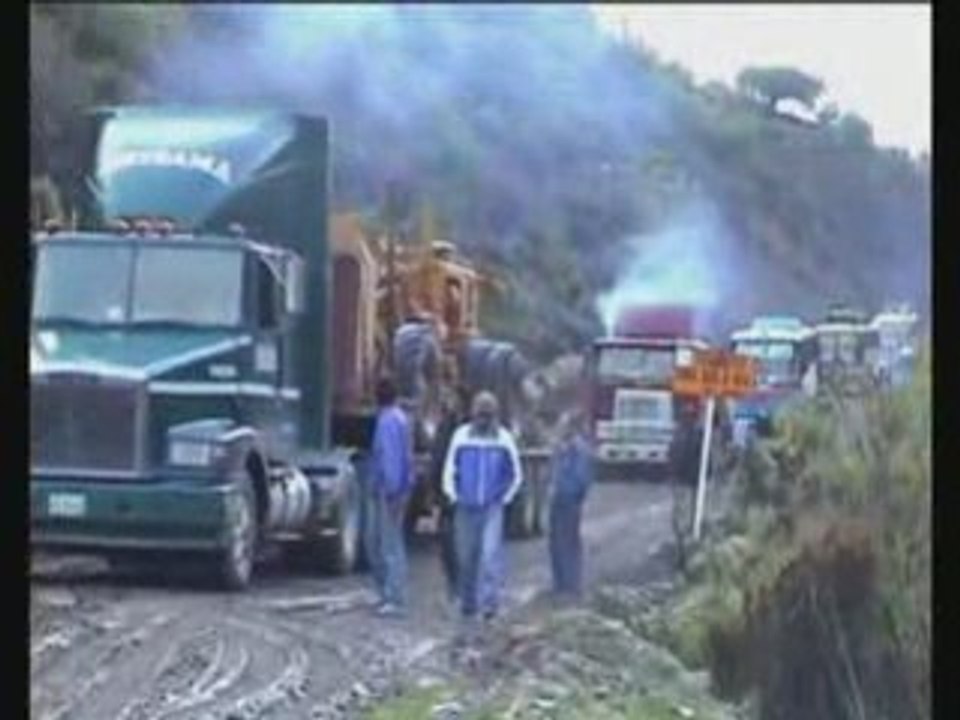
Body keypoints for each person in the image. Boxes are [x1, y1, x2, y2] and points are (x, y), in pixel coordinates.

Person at [442, 391, 523, 624]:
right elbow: (450, 468)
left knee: (489, 556)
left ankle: (489, 604)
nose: (484, 420)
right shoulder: (461, 437)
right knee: (466, 557)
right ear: (473, 414)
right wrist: (453, 495)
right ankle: (468, 604)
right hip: (465, 507)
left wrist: (503, 498)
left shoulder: (503, 439)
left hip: (491, 508)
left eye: (488, 415)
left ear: (495, 416)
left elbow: (515, 474)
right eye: (480, 415)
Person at [366, 377, 414, 617]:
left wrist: (392, 492)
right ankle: (390, 595)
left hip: (388, 492)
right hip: (395, 490)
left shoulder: (387, 422)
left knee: (388, 545)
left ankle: (393, 598)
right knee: (389, 543)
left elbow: (390, 459)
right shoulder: (400, 418)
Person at [547, 411, 594, 600]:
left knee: (567, 541)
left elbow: (582, 478)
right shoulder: (563, 449)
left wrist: (574, 494)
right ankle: (560, 583)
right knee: (556, 542)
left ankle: (570, 585)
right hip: (559, 498)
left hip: (569, 499)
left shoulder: (578, 449)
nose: (559, 429)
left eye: (562, 426)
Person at [429, 387, 470, 604]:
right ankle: (455, 587)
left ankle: (462, 589)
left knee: (460, 545)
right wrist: (434, 494)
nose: (446, 402)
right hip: (448, 496)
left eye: (451, 398)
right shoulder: (446, 427)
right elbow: (436, 461)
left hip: (463, 495)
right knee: (448, 546)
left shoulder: (464, 429)